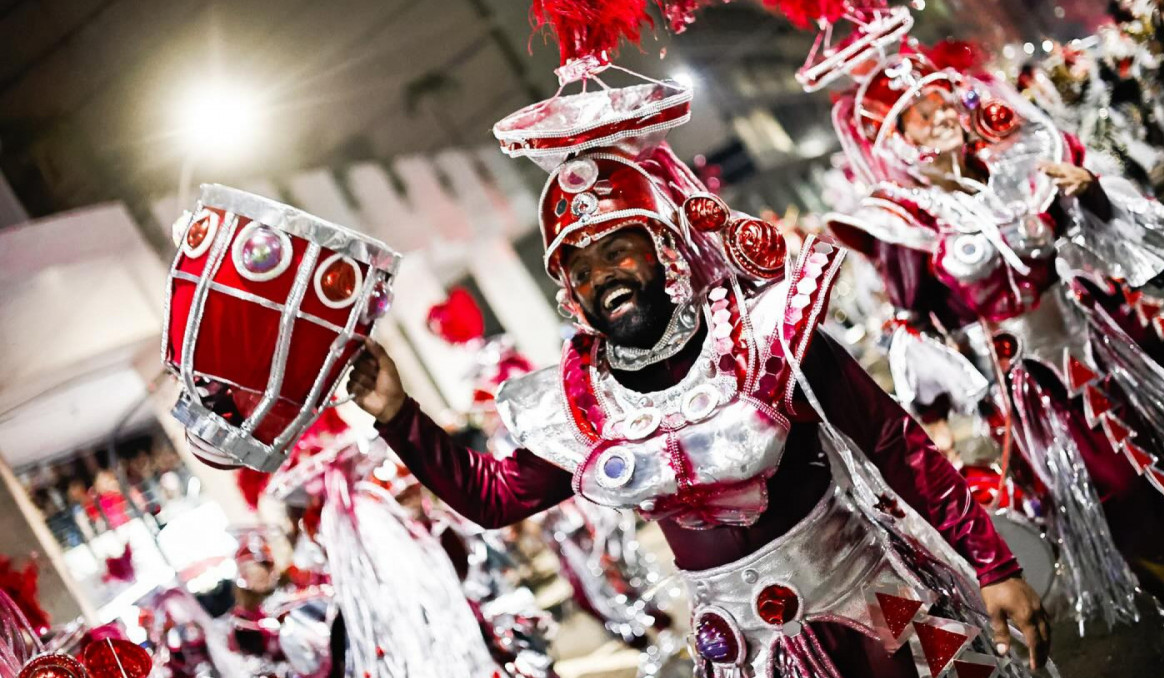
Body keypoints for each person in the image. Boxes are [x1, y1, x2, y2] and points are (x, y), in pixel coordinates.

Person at [349, 77, 1048, 678]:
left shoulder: (769, 335)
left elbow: (894, 444)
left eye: (619, 252)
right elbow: (495, 499)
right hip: (741, 649)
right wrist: (397, 414)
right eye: (582, 271)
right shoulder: (581, 403)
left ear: (666, 252)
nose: (604, 280)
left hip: (872, 606)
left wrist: (993, 566)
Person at [824, 50, 1164, 643]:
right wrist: (937, 409)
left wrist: (1088, 194)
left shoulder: (1017, 164)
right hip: (1031, 386)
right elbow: (910, 320)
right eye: (917, 115)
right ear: (894, 141)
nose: (938, 116)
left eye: (937, 102)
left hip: (1106, 346)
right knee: (1112, 491)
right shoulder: (904, 221)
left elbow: (1091, 236)